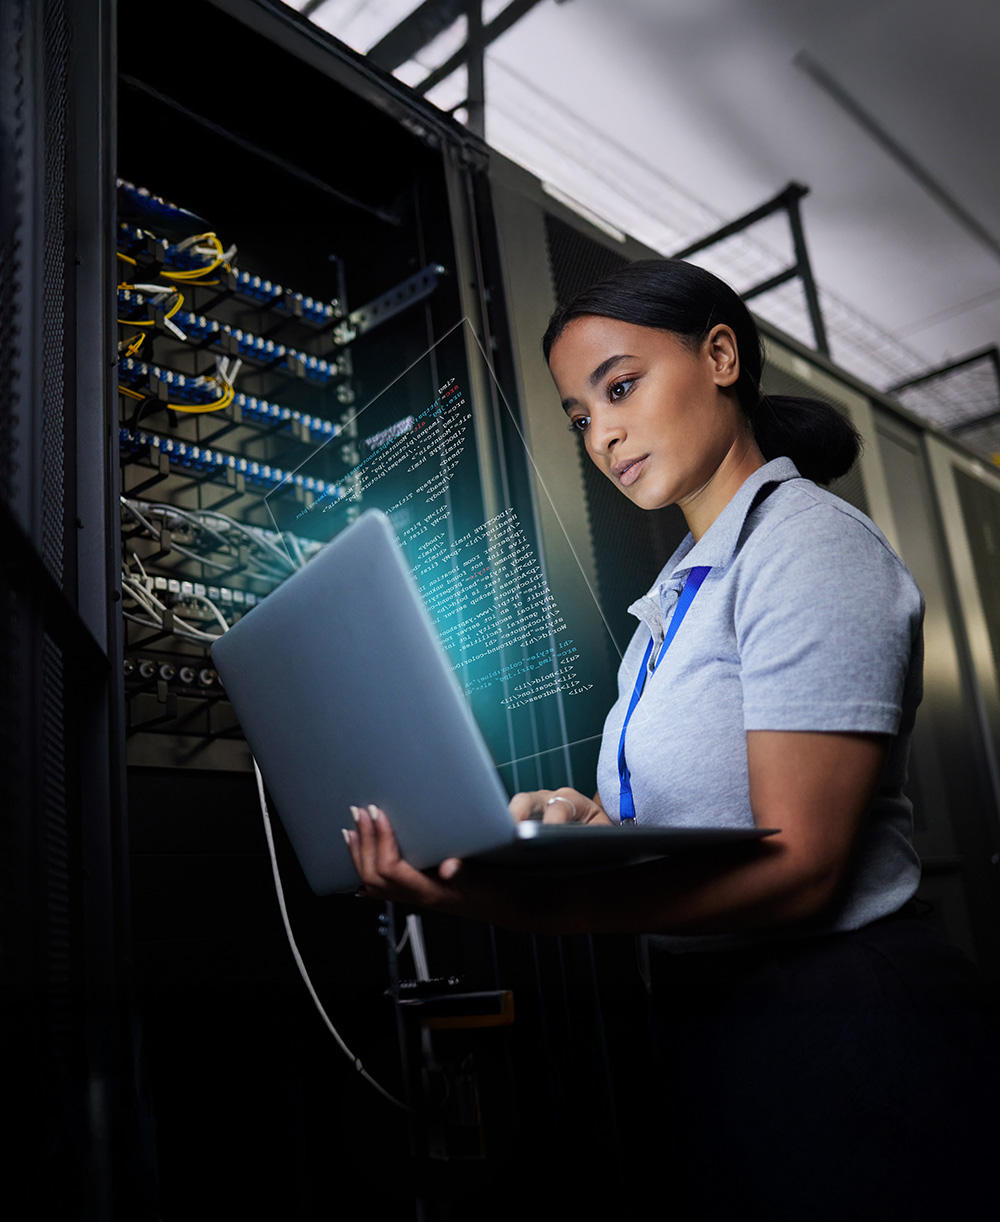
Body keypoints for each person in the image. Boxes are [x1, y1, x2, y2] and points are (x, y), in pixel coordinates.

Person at [344, 259, 997, 1220]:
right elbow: (713, 809)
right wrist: (592, 821)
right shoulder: (677, 602)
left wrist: (514, 904)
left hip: (852, 1029)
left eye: (620, 385)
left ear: (720, 356)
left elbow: (802, 869)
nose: (600, 433)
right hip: (726, 1029)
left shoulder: (807, 548)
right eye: (578, 415)